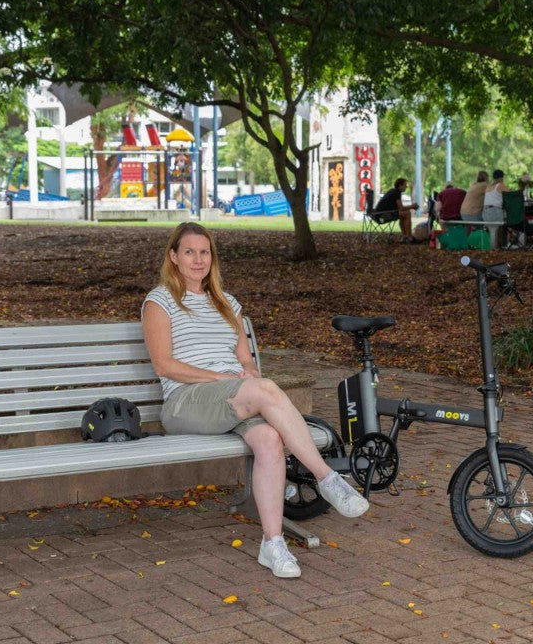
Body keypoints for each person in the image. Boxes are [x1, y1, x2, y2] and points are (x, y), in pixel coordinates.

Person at [142, 223, 369, 579]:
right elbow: (164, 364)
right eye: (189, 252)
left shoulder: (227, 303)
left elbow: (245, 360)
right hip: (186, 401)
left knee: (269, 439)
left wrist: (246, 374)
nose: (198, 259)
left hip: (233, 397)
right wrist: (225, 379)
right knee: (263, 390)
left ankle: (272, 543)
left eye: (205, 252)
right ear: (173, 256)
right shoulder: (160, 301)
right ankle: (326, 477)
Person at [375, 177, 419, 242]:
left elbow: (400, 209)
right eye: (405, 185)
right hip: (383, 216)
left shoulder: (393, 191)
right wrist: (412, 206)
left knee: (403, 214)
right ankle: (409, 237)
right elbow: (401, 208)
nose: (406, 187)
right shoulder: (396, 192)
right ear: (400, 185)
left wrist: (410, 207)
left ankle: (405, 237)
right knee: (407, 213)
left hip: (378, 215)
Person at [482, 169, 509, 246]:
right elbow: (511, 197)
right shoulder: (501, 185)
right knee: (513, 217)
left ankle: (499, 244)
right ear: (501, 178)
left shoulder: (488, 187)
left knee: (496, 228)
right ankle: (506, 243)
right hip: (494, 214)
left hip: (485, 214)